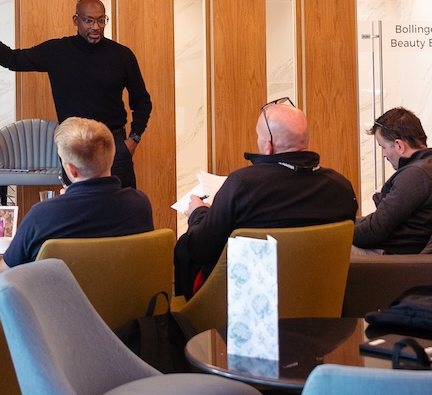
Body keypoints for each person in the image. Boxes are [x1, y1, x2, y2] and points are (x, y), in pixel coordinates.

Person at [0, 117, 155, 395]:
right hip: (115, 313)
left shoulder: (45, 214)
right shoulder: (139, 204)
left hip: (48, 316)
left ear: (70, 169)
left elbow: (6, 277)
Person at [174, 98, 358, 298]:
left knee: (185, 244)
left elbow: (200, 248)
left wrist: (198, 212)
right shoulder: (341, 187)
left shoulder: (242, 184)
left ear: (268, 146)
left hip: (250, 305)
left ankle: (187, 327)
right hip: (322, 300)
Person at [0, 0, 151, 188]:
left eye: (101, 20)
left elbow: (142, 101)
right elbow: (12, 60)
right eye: (89, 20)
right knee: (79, 212)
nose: (96, 26)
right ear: (76, 20)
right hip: (73, 145)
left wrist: (134, 139)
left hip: (113, 145)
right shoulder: (57, 51)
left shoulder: (122, 55)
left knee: (121, 209)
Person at [354, 107, 432, 254]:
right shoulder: (425, 167)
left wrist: (338, 236)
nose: (384, 154)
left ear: (399, 145)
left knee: (324, 250)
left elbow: (375, 230)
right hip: (402, 255)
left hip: (394, 259)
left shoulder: (415, 176)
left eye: (383, 147)